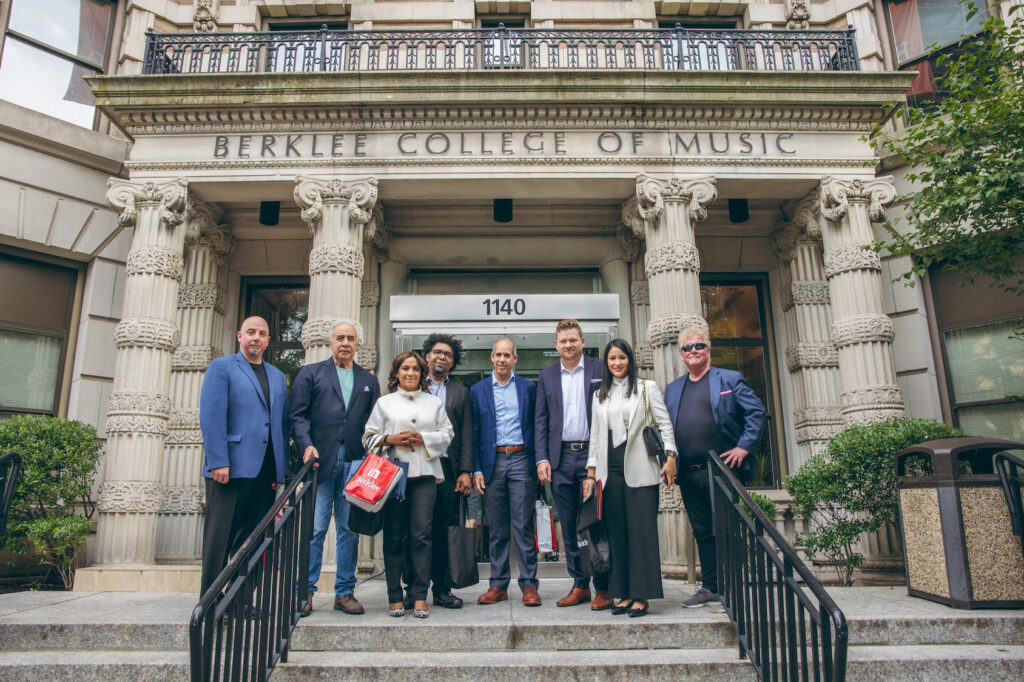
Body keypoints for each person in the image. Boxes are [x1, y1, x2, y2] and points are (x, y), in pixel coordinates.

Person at [664, 327, 766, 608]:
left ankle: (733, 588)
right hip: (688, 472)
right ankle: (711, 587)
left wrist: (744, 446)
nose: (693, 351)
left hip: (721, 468)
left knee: (727, 529)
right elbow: (665, 428)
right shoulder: (673, 389)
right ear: (681, 355)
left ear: (708, 350)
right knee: (702, 530)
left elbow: (755, 412)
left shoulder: (729, 379)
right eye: (687, 348)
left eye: (698, 346)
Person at [291, 319, 381, 616]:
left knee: (348, 530)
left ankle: (344, 592)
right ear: (331, 343)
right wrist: (306, 445)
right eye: (340, 338)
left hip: (355, 463)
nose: (345, 342)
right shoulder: (311, 374)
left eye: (350, 338)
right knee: (315, 528)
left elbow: (373, 424)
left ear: (358, 345)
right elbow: (298, 416)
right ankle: (304, 592)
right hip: (320, 461)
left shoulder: (369, 380)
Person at [582, 339, 677, 618]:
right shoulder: (600, 394)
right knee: (617, 534)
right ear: (606, 363)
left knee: (641, 533)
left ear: (629, 360)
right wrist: (590, 473)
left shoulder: (647, 389)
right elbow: (596, 439)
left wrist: (670, 457)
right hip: (609, 472)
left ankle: (641, 595)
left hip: (640, 468)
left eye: (621, 358)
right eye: (612, 359)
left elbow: (664, 424)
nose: (617, 363)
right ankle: (621, 593)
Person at [199, 316, 289, 595]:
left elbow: (281, 425)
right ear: (240, 336)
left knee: (253, 539)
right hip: (230, 468)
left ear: (268, 341)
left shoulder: (276, 375)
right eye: (251, 332)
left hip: (264, 472)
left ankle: (241, 598)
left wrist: (279, 471)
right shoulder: (222, 368)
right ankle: (211, 601)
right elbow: (211, 416)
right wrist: (218, 461)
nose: (256, 338)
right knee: (220, 538)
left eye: (262, 334)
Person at [363, 351, 454, 618]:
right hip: (393, 476)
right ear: (397, 373)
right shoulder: (384, 403)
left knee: (421, 536)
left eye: (415, 369)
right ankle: (394, 596)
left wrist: (423, 438)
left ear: (422, 373)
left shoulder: (433, 403)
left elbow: (447, 433)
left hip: (425, 475)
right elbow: (367, 438)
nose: (411, 373)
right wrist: (390, 439)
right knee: (394, 535)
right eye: (405, 368)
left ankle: (419, 595)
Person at [535, 319, 612, 610]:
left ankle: (603, 587)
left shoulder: (599, 368)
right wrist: (542, 458)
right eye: (563, 341)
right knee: (568, 525)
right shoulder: (547, 376)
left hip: (593, 456)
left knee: (596, 521)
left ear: (582, 342)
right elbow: (540, 421)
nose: (568, 345)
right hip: (561, 459)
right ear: (556, 345)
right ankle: (580, 584)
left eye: (573, 340)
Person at [470, 338, 541, 607]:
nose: (502, 359)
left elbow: (536, 427)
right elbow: (474, 433)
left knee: (523, 525)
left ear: (515, 359)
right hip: (492, 462)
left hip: (521, 458)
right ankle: (498, 585)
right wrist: (476, 468)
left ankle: (529, 585)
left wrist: (538, 462)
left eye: (507, 355)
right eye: (498, 355)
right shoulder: (478, 390)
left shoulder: (527, 388)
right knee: (497, 528)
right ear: (491, 357)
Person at [412, 333, 474, 610]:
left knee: (444, 530)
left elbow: (467, 434)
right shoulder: (413, 385)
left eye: (447, 354)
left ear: (453, 362)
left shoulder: (461, 392)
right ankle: (415, 589)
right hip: (417, 468)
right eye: (436, 352)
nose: (441, 357)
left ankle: (443, 589)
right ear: (426, 356)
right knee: (417, 531)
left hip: (448, 471)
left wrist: (466, 471)